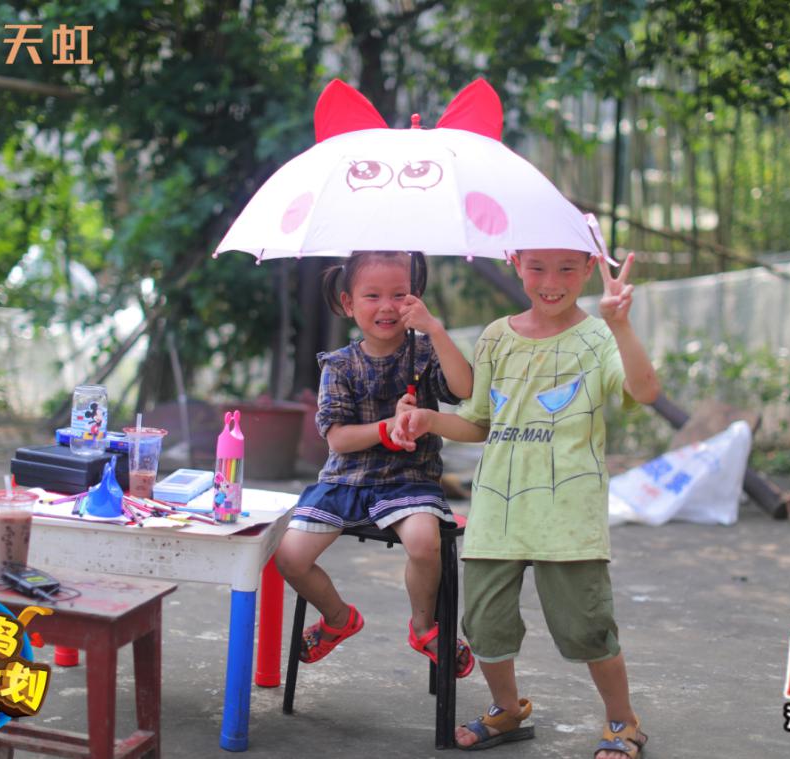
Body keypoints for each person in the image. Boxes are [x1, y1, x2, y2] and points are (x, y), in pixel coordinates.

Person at [393, 247, 660, 758]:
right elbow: (478, 422)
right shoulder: (496, 336)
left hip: (569, 513)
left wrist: (620, 324)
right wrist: (428, 420)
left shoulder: (599, 336)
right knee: (484, 624)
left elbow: (645, 391)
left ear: (588, 268)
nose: (550, 281)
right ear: (516, 263)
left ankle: (622, 719)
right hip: (498, 509)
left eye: (566, 268)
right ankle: (507, 708)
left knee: (587, 627)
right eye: (537, 267)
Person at [274, 250, 476, 677]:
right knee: (289, 556)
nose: (387, 306)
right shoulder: (339, 365)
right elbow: (339, 439)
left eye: (399, 295)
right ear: (348, 303)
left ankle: (423, 627)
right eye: (372, 296)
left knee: (424, 543)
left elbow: (464, 389)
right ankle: (338, 618)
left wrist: (435, 329)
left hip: (410, 480)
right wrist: (387, 428)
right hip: (345, 481)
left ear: (415, 298)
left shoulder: (424, 354)